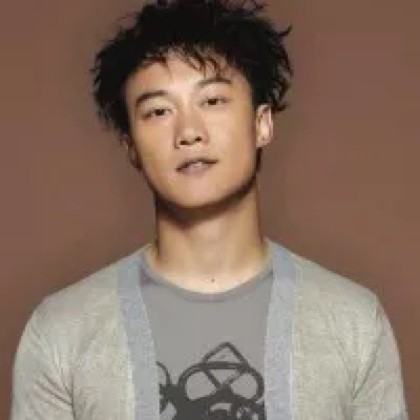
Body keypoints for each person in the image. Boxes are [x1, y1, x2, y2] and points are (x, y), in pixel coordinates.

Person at [11, 1, 408, 419]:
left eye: (213, 101)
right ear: (131, 146)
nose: (188, 132)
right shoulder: (62, 332)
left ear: (262, 124)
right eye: (158, 112)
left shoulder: (353, 323)